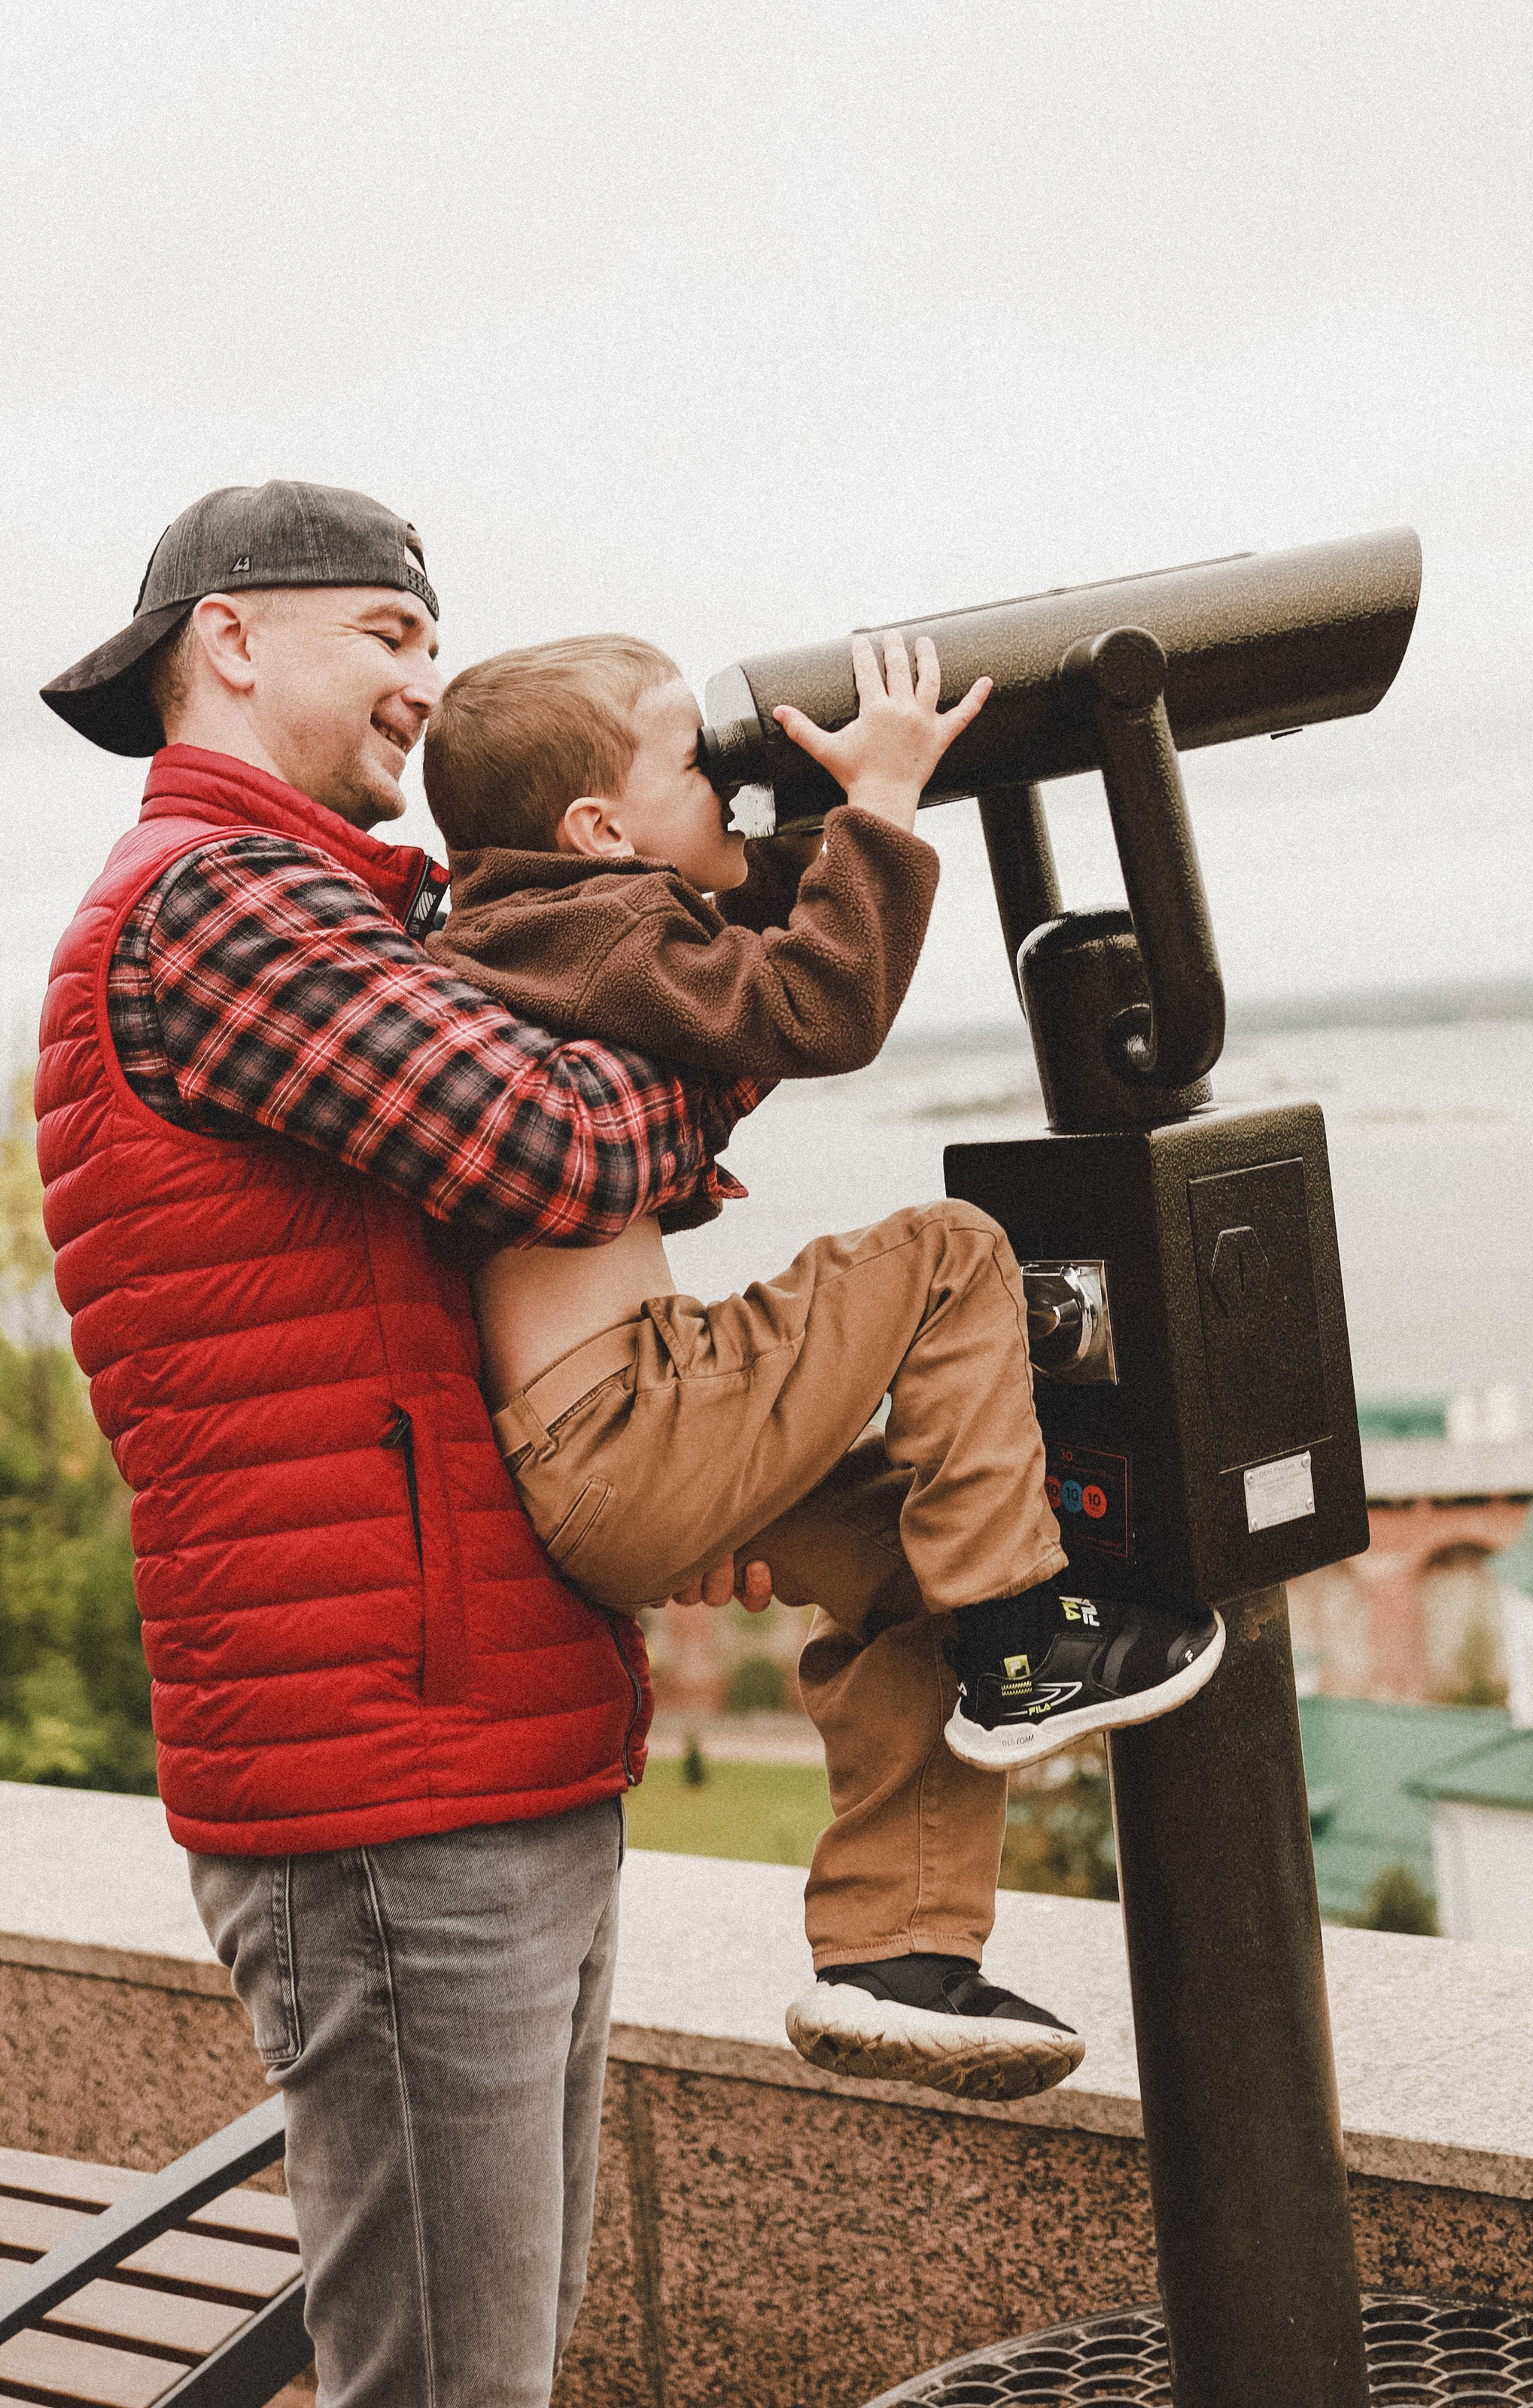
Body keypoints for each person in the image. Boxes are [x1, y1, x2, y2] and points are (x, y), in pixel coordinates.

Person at [35, 482, 762, 2408]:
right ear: (232, 638)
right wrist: (716, 996)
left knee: (490, 2358)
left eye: (432, 641)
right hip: (389, 1781)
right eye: (388, 633)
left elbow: (582, 1160)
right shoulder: (219, 908)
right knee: (448, 2386)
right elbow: (561, 1150)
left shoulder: (343, 914)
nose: (426, 685)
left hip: (477, 1736)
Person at [418, 628, 1225, 2101]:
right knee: (942, 1253)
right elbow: (816, 1007)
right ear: (596, 832)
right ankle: (1023, 1643)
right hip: (624, 1416)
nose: (722, 799)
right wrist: (886, 798)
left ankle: (894, 1956)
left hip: (606, 1447)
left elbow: (750, 933)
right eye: (695, 767)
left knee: (907, 1559)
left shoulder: (535, 933)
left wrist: (793, 806)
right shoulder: (590, 932)